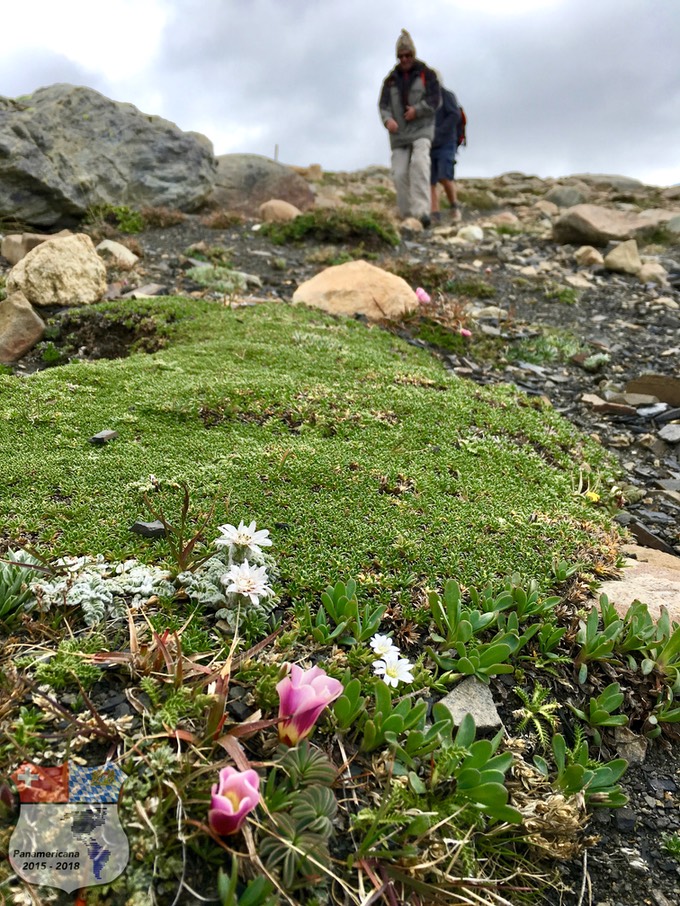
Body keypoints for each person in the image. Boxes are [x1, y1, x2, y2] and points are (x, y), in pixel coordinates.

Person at [378, 29, 440, 229]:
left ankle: (421, 213)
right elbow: (383, 106)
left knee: (420, 164)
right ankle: (407, 217)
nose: (404, 59)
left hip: (421, 129)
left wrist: (418, 110)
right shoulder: (390, 80)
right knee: (399, 173)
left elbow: (435, 100)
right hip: (399, 135)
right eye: (401, 56)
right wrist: (388, 121)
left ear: (413, 54)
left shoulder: (426, 74)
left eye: (408, 55)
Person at [430, 75, 463, 223]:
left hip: (446, 142)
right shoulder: (426, 99)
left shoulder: (446, 95)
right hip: (430, 144)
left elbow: (454, 115)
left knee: (444, 176)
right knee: (430, 180)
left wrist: (439, 131)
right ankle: (435, 214)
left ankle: (454, 206)